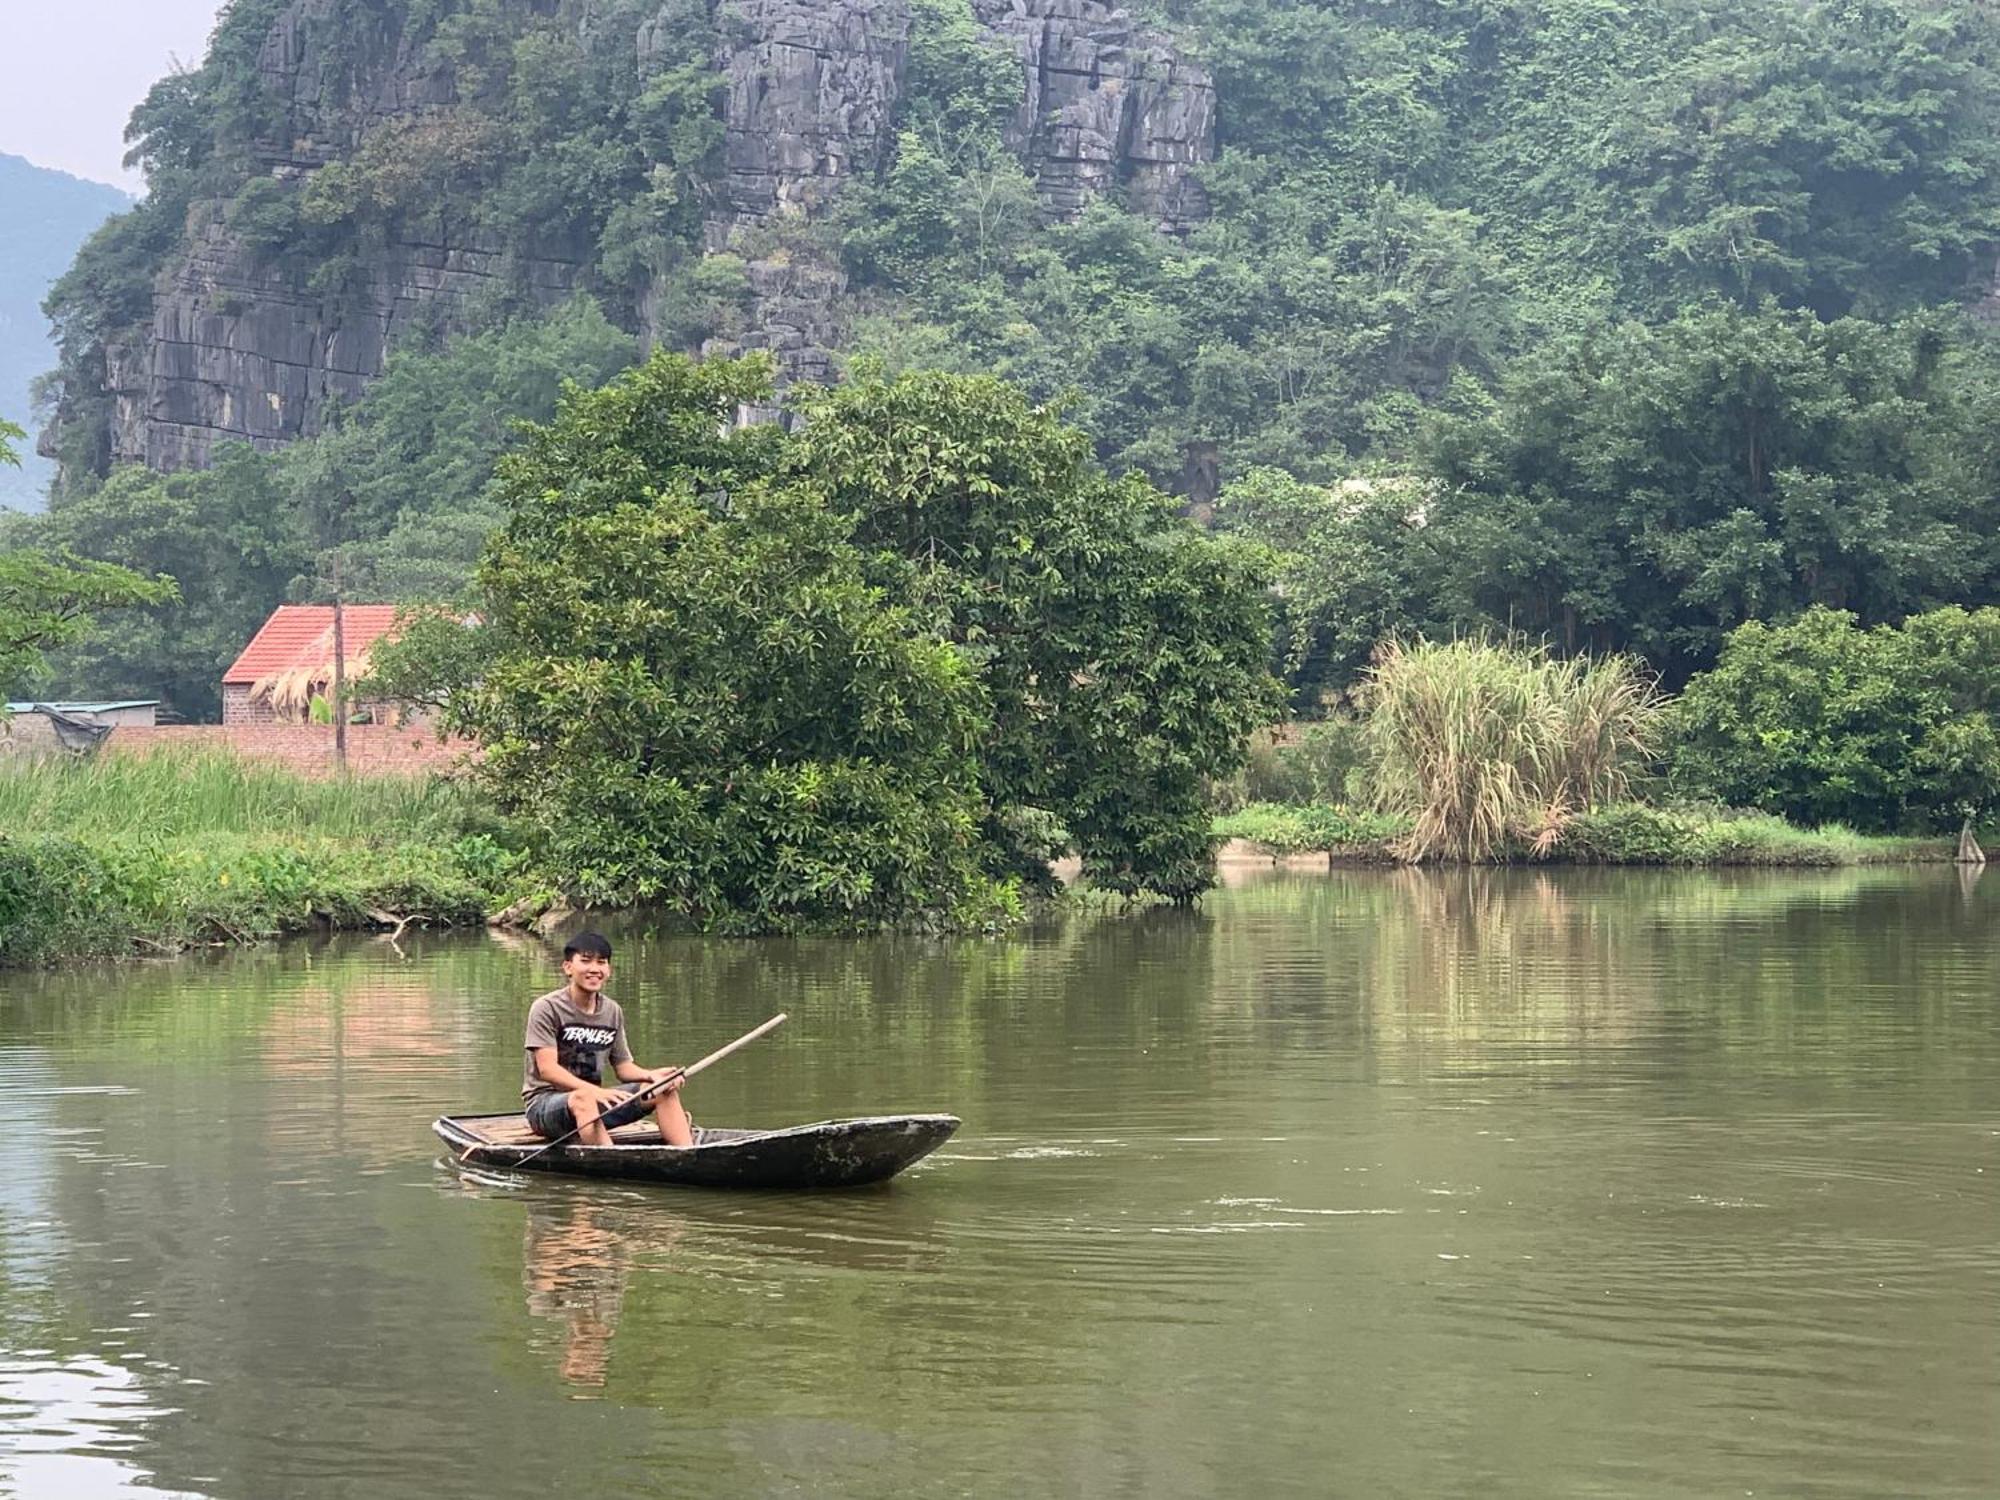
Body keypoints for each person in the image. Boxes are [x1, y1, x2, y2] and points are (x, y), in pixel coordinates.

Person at [522, 932, 694, 1147]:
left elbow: (624, 1068)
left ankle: (688, 1153)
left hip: (596, 1103)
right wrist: (593, 1092)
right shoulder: (547, 1008)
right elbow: (548, 1070)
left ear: (608, 970)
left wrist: (652, 1075)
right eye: (585, 961)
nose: (594, 969)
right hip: (546, 1106)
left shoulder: (612, 1011)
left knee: (662, 1088)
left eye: (601, 962)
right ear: (568, 967)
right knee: (584, 1098)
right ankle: (608, 1161)